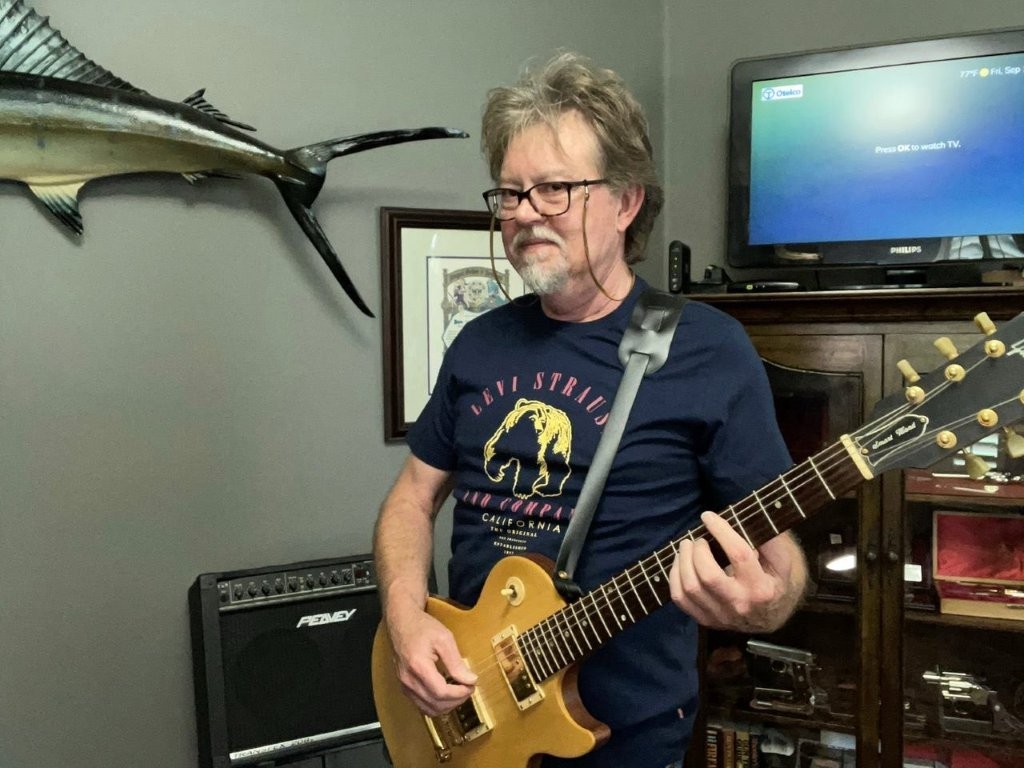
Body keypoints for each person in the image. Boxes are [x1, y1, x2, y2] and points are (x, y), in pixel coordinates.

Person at [373, 51, 808, 768]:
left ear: (626, 199)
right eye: (510, 194)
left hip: (627, 742)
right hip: (472, 722)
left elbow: (779, 556)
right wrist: (406, 619)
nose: (523, 216)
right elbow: (410, 501)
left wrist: (764, 603)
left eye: (553, 190)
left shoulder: (710, 350)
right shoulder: (481, 343)